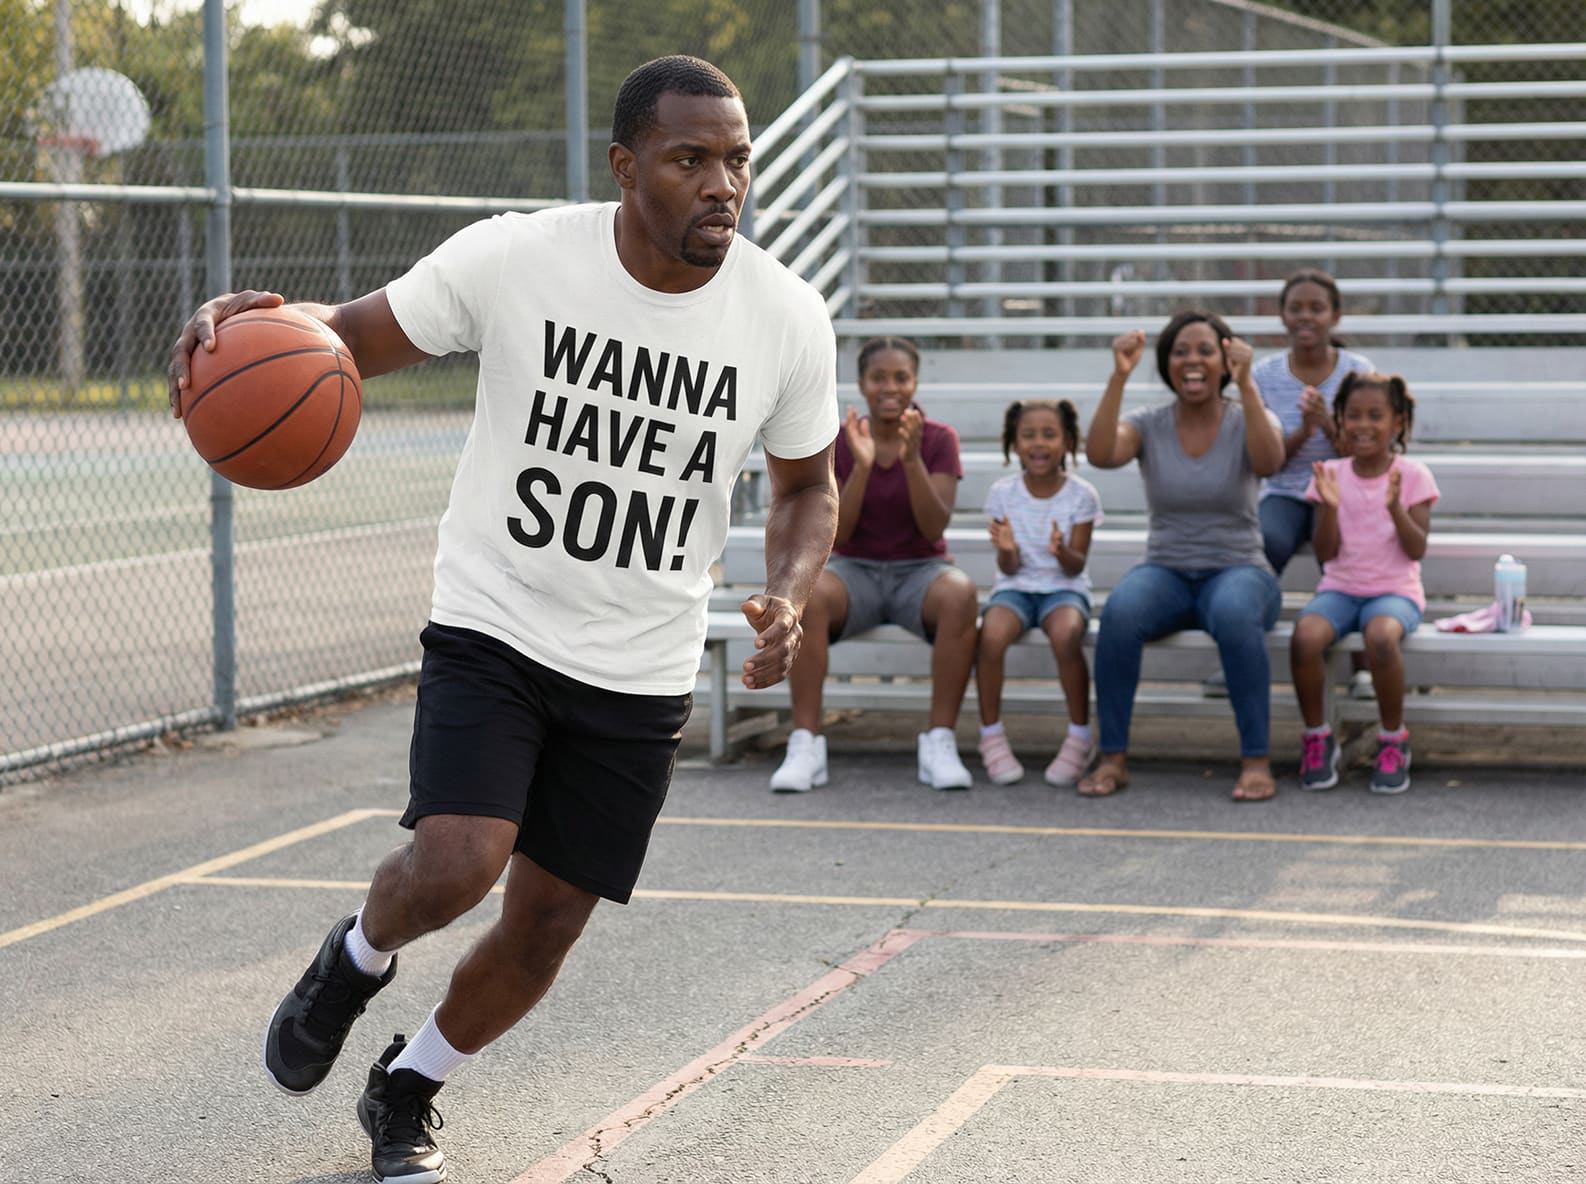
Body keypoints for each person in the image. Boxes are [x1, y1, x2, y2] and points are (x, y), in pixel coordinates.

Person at [167, 56, 839, 1184]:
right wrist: (257, 327)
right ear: (625, 167)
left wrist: (795, 584)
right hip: (497, 621)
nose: (721, 182)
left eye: (737, 160)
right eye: (689, 159)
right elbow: (349, 339)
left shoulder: (782, 314)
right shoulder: (517, 257)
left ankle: (409, 1083)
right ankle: (356, 954)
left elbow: (805, 485)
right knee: (457, 860)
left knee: (545, 924)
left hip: (641, 659)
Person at [1081, 312, 1287, 802]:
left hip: (1240, 569)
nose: (1192, 361)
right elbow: (1101, 453)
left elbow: (1270, 462)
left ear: (1223, 360)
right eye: (1180, 352)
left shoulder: (1249, 416)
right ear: (1167, 363)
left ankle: (1256, 761)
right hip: (1167, 569)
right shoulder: (1148, 424)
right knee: (1120, 614)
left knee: (1236, 615)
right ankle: (1112, 757)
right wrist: (1119, 376)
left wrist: (1248, 384)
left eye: (1204, 351)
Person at [770, 336, 979, 792]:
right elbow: (837, 535)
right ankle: (805, 742)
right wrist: (862, 468)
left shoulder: (939, 439)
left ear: (915, 382)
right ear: (862, 384)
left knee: (960, 593)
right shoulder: (843, 440)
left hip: (919, 572)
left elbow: (932, 526)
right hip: (855, 570)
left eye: (901, 377)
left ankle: (939, 740)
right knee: (812, 592)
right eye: (879, 377)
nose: (891, 387)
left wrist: (910, 461)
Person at [1204, 269, 1374, 698]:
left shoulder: (1358, 371)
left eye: (1316, 308)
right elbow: (1266, 462)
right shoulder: (1263, 375)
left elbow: (1365, 453)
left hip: (1342, 490)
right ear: (1282, 316)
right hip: (1285, 489)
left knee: (1346, 553)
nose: (1306, 317)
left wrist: (1329, 426)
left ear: (1335, 316)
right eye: (1296, 308)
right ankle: (1238, 655)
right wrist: (1303, 430)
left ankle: (1365, 667)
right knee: (1261, 548)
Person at [1290, 372, 1437, 794]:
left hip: (1395, 592)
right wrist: (1330, 508)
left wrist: (1394, 508)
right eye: (1352, 415)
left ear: (1398, 424)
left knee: (1380, 638)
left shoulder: (1412, 475)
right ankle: (1317, 736)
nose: (1363, 424)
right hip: (1340, 589)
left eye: (1376, 415)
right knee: (1305, 638)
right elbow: (1326, 552)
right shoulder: (1331, 473)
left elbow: (1416, 550)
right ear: (1340, 419)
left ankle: (1393, 740)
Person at [975, 399, 1102, 787]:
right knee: (990, 636)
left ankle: (1080, 736)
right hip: (1016, 587)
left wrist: (1061, 549)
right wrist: (1009, 550)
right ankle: (991, 736)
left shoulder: (1082, 495)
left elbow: (1075, 565)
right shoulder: (1002, 493)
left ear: (1066, 442)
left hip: (1063, 589)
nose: (1038, 443)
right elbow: (1008, 568)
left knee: (1066, 634)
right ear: (1014, 444)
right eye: (1028, 435)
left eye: (1049, 434)